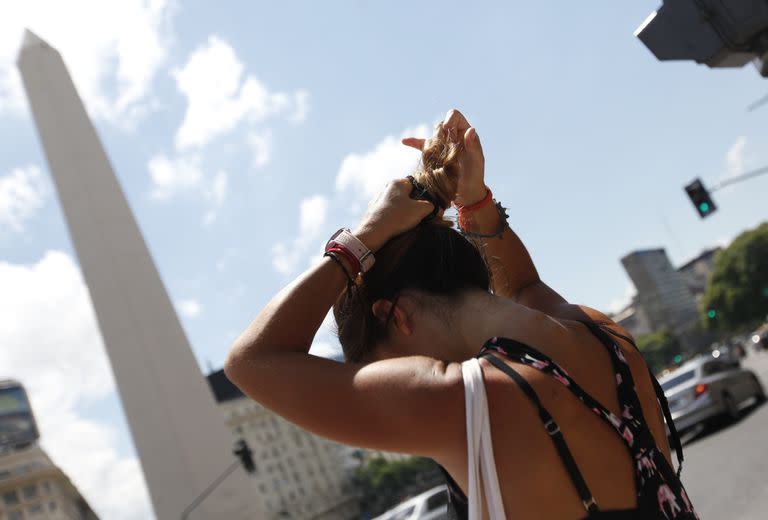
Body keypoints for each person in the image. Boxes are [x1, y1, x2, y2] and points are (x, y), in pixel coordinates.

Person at [225, 109, 699, 519]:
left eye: (378, 369)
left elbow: (252, 361)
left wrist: (364, 237)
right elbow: (526, 287)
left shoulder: (465, 403)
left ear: (397, 317)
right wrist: (474, 202)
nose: (392, 379)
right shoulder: (601, 332)